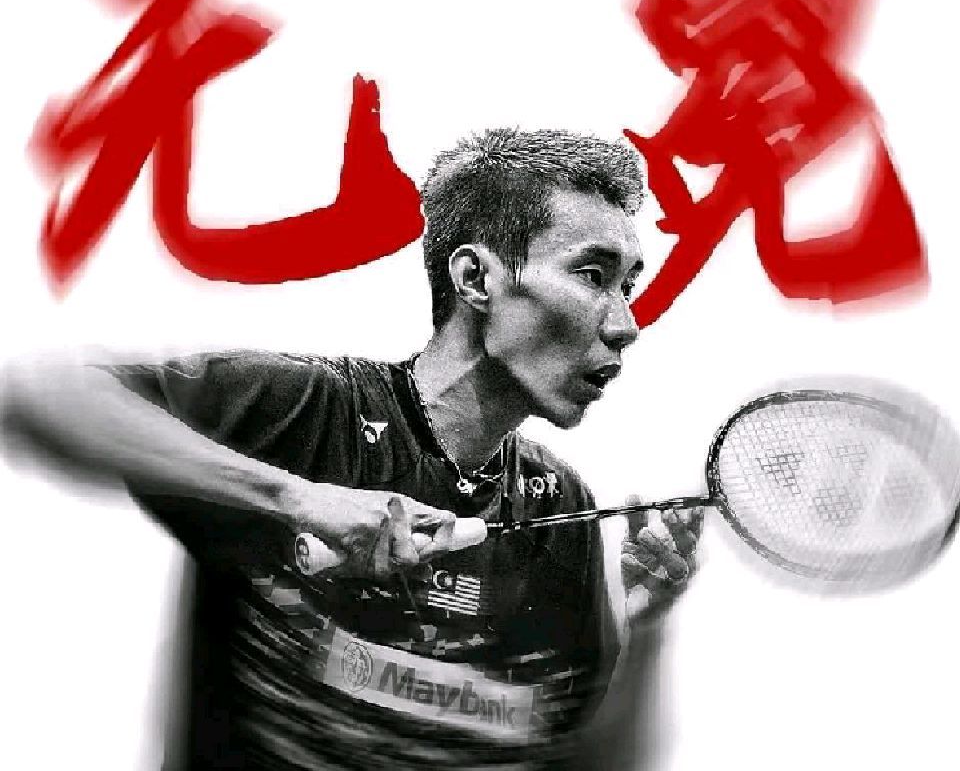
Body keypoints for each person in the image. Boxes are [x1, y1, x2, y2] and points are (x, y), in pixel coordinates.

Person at [2, 127, 702, 771]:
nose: (626, 324)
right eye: (592, 275)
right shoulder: (307, 413)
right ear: (476, 280)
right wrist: (295, 498)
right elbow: (39, 396)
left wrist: (645, 631)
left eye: (628, 285)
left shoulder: (560, 508)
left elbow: (589, 764)